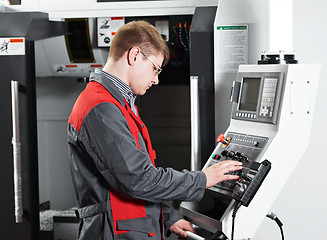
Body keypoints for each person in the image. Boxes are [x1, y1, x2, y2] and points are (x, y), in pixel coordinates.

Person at [67, 20, 242, 240]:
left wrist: (169, 217)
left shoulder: (118, 104)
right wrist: (202, 179)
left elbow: (129, 185)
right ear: (134, 55)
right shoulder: (100, 108)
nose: (156, 79)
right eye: (155, 68)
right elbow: (138, 179)